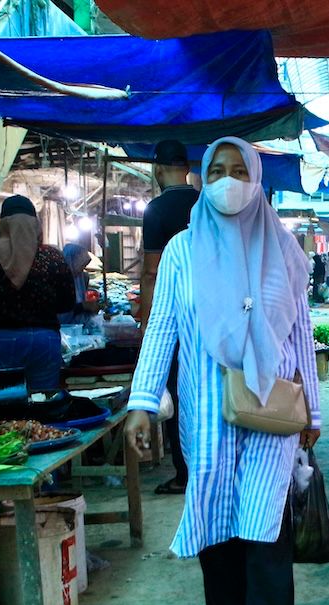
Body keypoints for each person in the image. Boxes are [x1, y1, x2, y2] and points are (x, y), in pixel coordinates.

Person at [123, 136, 322, 605]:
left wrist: (313, 412)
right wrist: (142, 403)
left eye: (240, 170)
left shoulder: (284, 248)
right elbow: (162, 327)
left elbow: (300, 331)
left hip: (272, 398)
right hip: (207, 405)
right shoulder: (183, 251)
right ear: (200, 178)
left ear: (257, 180)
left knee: (264, 511)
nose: (229, 181)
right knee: (216, 506)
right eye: (218, 170)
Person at [0, 195, 74, 390]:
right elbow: (67, 302)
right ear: (36, 224)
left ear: (3, 225)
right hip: (44, 342)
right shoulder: (53, 258)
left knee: (1, 406)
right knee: (43, 406)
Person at [142, 139, 199, 496]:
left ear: (158, 169)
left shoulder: (156, 210)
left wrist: (148, 325)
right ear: (188, 167)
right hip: (207, 315)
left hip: (174, 316)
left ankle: (184, 473)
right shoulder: (203, 204)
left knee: (179, 395)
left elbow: (150, 273)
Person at [58, 243, 99, 328]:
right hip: (64, 328)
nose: (82, 269)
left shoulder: (82, 278)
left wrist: (91, 308)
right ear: (72, 262)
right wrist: (82, 306)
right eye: (81, 265)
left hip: (79, 326)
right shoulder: (59, 279)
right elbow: (60, 311)